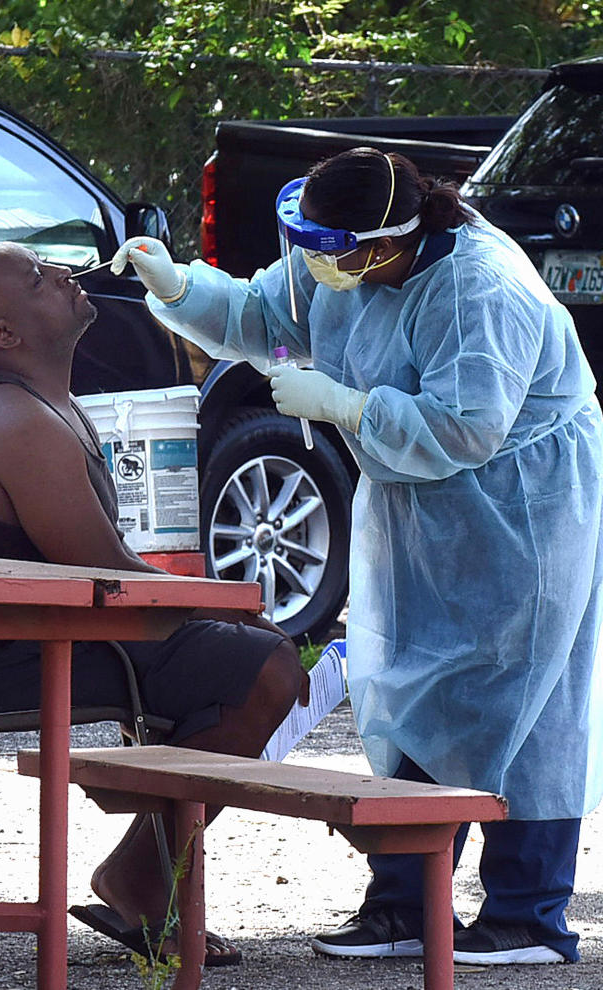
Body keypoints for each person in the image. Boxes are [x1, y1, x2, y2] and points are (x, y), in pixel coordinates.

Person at [109, 147, 603, 967]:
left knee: (524, 697)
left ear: (380, 245)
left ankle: (528, 912)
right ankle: (404, 901)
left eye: (334, 252)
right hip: (419, 501)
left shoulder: (480, 287)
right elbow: (260, 316)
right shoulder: (332, 257)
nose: (316, 265)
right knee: (409, 681)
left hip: (524, 503)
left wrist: (342, 401)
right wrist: (178, 284)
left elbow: (466, 427)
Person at [0, 240, 310, 966]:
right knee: (263, 669)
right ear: (2, 335)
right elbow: (102, 572)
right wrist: (219, 604)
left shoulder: (46, 402)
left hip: (59, 633)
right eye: (38, 279)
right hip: (3, 658)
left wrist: (212, 610)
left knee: (250, 658)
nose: (64, 274)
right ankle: (139, 871)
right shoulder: (17, 421)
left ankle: (141, 854)